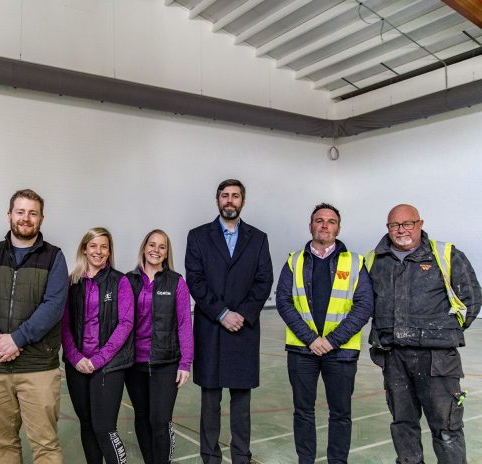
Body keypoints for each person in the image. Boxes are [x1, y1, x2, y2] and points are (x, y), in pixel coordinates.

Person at [367, 204, 481, 464]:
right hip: (393, 358)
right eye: (395, 225)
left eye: (408, 224)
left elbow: (471, 299)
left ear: (420, 224)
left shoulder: (446, 254)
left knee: (446, 428)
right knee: (403, 424)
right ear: (388, 228)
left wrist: (443, 333)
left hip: (437, 360)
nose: (401, 230)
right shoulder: (375, 260)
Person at [0, 189, 68, 464]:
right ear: (10, 215)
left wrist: (17, 339)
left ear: (41, 218)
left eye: (32, 213)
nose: (26, 218)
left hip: (38, 368)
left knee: (46, 447)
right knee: (2, 445)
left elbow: (53, 306)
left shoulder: (54, 258)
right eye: (21, 212)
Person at [276, 203, 373, 464]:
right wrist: (310, 339)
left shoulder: (355, 261)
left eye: (331, 221)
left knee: (340, 413)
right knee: (303, 412)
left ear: (338, 228)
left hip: (341, 353)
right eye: (319, 220)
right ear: (311, 226)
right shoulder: (293, 260)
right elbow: (284, 301)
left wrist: (331, 340)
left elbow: (364, 306)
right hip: (302, 351)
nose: (325, 225)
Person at [185, 179, 273, 464]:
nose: (230, 200)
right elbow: (195, 281)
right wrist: (222, 313)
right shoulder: (198, 236)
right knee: (210, 401)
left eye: (235, 196)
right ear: (217, 200)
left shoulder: (258, 238)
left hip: (243, 330)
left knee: (241, 402)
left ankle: (241, 456)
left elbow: (264, 281)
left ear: (242, 201)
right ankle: (210, 456)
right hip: (212, 328)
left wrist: (242, 314)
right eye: (225, 195)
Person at [62, 227, 134, 464]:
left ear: (109, 251)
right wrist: (75, 358)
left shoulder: (119, 281)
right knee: (87, 425)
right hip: (77, 366)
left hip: (108, 366)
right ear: (84, 248)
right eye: (93, 246)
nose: (98, 251)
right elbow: (64, 325)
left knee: (104, 428)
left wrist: (98, 360)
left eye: (104, 246)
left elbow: (125, 324)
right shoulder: (72, 283)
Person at [125, 229, 194, 464]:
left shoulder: (176, 282)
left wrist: (185, 362)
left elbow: (185, 323)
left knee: (160, 420)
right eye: (152, 245)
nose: (156, 250)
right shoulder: (128, 280)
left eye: (161, 247)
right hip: (134, 363)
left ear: (166, 253)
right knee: (142, 417)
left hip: (165, 362)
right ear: (144, 248)